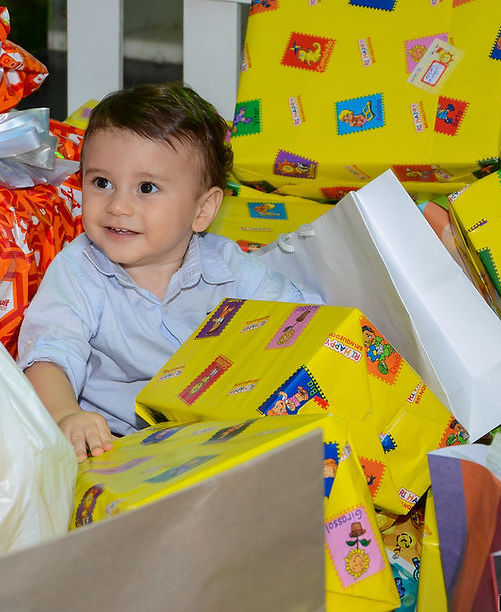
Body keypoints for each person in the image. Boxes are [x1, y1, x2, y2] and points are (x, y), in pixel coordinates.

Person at [17, 82, 323, 461]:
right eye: (101, 183)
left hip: (215, 435)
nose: (118, 206)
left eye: (146, 188)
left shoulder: (227, 268)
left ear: (202, 210)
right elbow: (49, 354)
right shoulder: (79, 271)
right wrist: (65, 414)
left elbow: (305, 317)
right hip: (115, 441)